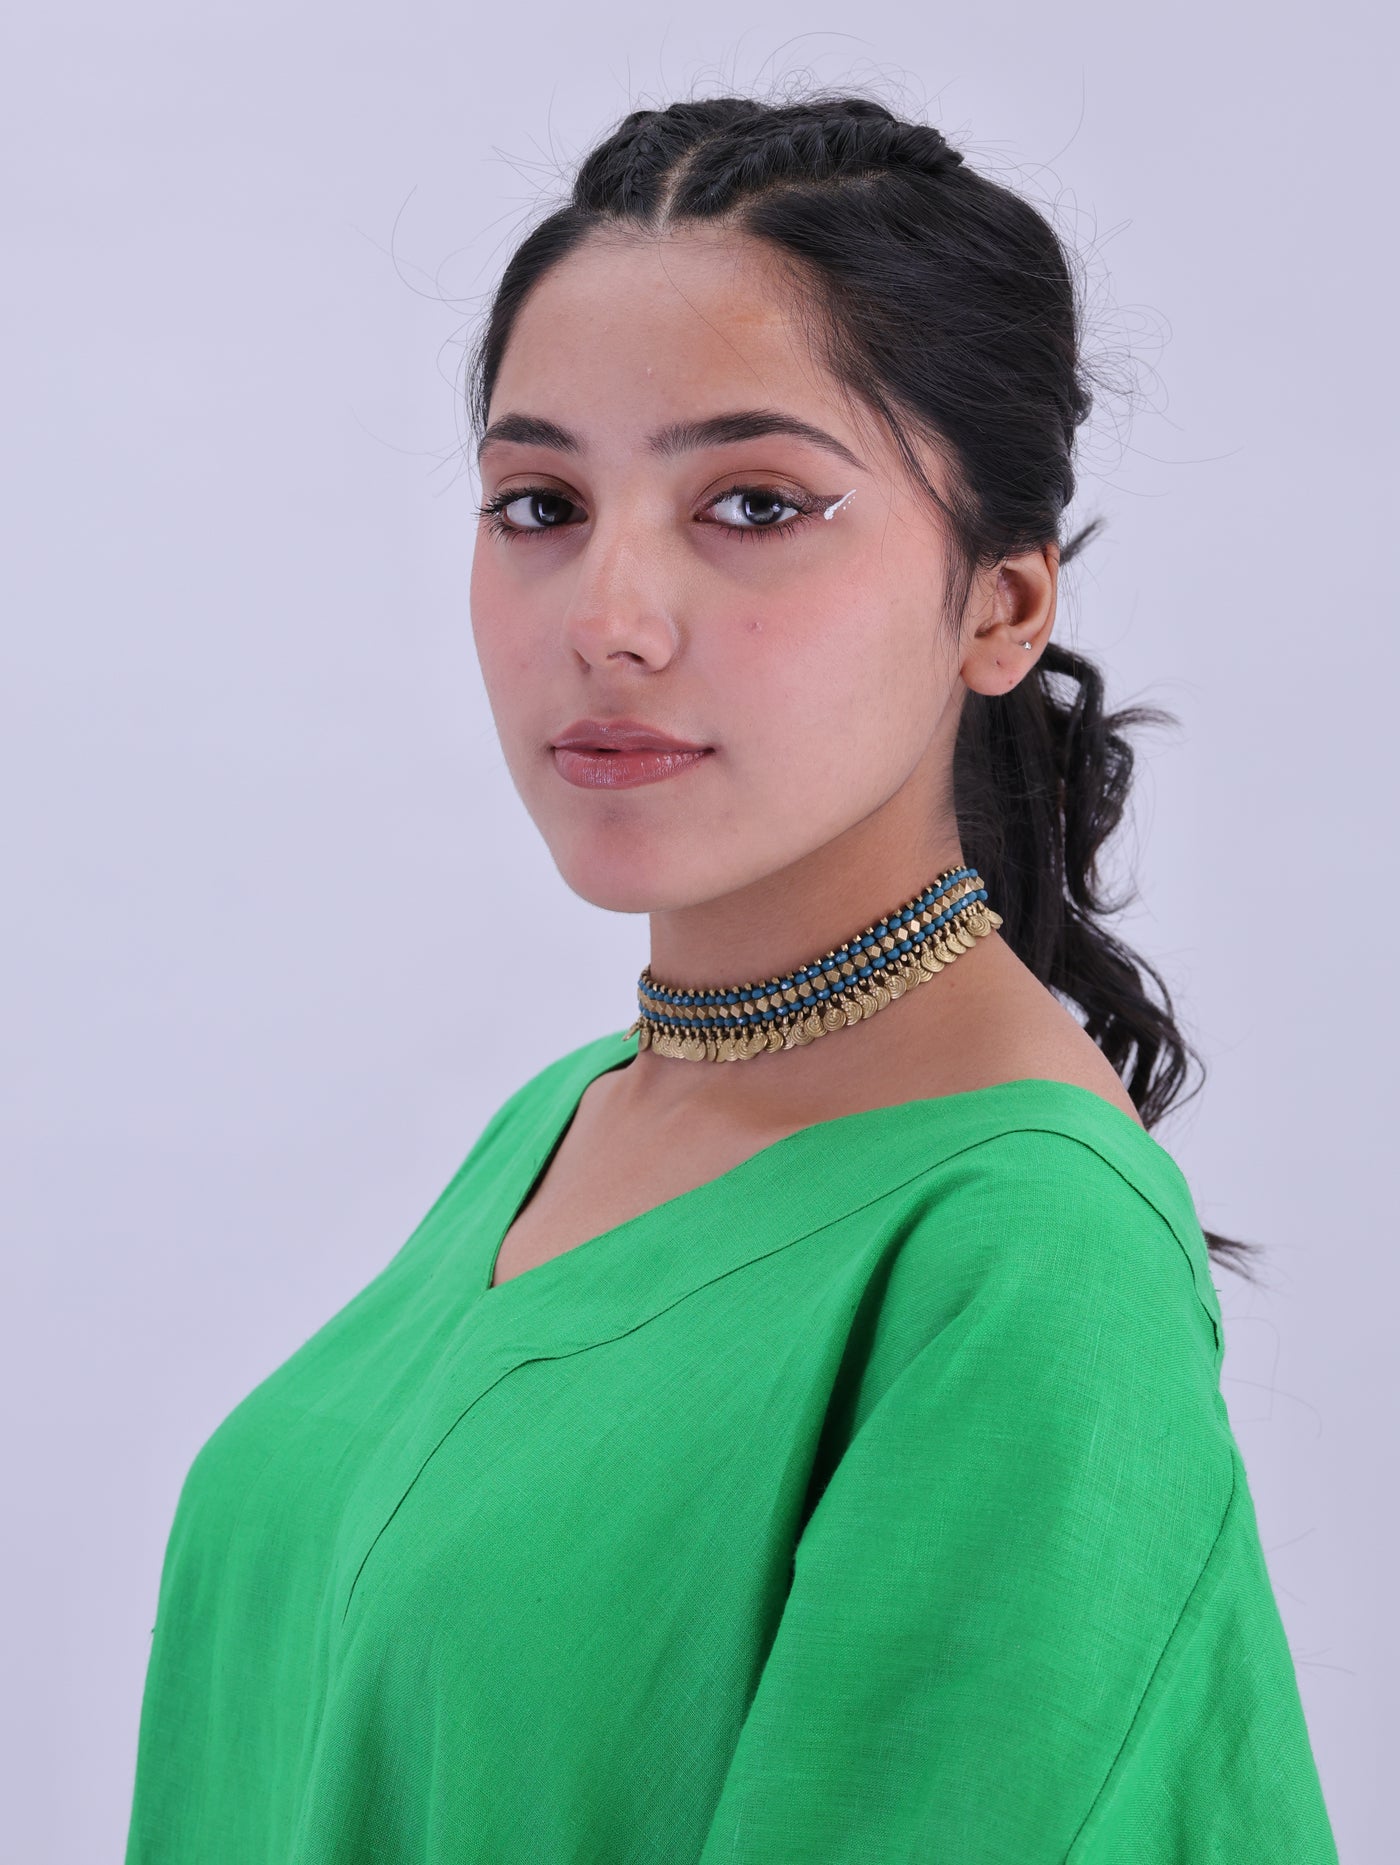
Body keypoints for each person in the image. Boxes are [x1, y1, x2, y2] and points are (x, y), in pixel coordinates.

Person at [123, 91, 1338, 1863]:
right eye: (540, 502)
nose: (606, 616)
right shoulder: (571, 1118)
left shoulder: (1022, 1251)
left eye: (754, 503)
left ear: (1002, 606)